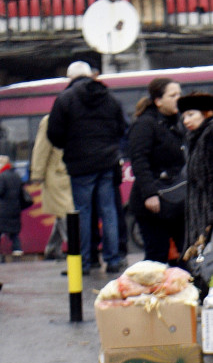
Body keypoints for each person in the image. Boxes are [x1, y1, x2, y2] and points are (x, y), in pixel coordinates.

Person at [47, 61, 126, 274]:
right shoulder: (109, 97)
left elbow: (53, 133)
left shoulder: (65, 99)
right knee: (108, 210)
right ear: (90, 75)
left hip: (80, 164)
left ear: (70, 78)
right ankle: (113, 259)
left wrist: (70, 147)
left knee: (82, 213)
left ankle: (83, 262)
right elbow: (122, 128)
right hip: (107, 162)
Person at [128, 77, 186, 265]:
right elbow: (139, 160)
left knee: (185, 252)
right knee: (157, 255)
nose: (178, 98)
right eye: (172, 95)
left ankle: (184, 292)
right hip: (153, 202)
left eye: (179, 94)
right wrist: (149, 194)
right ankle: (153, 293)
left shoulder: (179, 122)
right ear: (158, 100)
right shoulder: (145, 124)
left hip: (177, 199)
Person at [178, 91, 213, 252]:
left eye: (191, 114)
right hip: (202, 214)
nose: (186, 120)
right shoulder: (198, 136)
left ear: (206, 113)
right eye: (183, 117)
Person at [29, 115, 74, 260]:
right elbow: (42, 148)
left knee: (64, 214)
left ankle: (53, 249)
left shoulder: (68, 117)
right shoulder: (50, 121)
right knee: (66, 214)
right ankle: (77, 252)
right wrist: (37, 174)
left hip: (66, 174)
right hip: (57, 175)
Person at [0, 155, 28, 258]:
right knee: (14, 233)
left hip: (2, 210)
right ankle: (17, 250)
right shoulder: (16, 176)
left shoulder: (2, 176)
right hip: (15, 209)